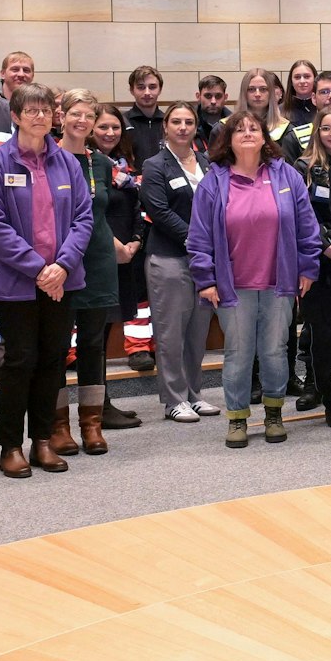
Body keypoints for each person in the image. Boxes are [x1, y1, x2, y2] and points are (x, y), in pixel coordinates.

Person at [0, 83, 93, 478]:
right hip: (16, 283)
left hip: (63, 280)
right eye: (31, 110)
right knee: (20, 361)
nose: (40, 117)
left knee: (52, 360)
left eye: (46, 110)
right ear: (16, 115)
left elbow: (82, 219)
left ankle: (42, 441)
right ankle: (10, 446)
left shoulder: (68, 163)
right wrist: (38, 269)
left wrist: (62, 266)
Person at [189, 110, 323, 447]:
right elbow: (199, 236)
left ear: (265, 138)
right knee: (238, 352)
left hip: (279, 281)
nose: (248, 133)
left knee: (276, 350)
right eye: (240, 129)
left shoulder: (286, 176)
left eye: (254, 129)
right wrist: (205, 279)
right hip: (232, 286)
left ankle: (275, 414)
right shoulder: (214, 181)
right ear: (229, 140)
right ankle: (236, 419)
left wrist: (308, 266)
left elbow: (307, 225)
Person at [53, 91, 132, 457]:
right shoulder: (47, 158)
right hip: (58, 262)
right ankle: (57, 426)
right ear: (62, 116)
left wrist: (119, 245)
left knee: (93, 344)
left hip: (98, 260)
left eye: (89, 115)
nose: (82, 121)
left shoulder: (101, 162)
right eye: (75, 114)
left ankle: (92, 423)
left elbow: (97, 213)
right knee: (55, 348)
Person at [139, 102, 218, 423]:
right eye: (176, 122)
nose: (183, 127)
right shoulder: (155, 165)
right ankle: (173, 398)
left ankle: (194, 394)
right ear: (166, 127)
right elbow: (159, 212)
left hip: (204, 261)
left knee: (198, 332)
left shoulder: (207, 162)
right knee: (171, 333)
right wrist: (198, 240)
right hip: (169, 258)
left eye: (188, 121)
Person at [293, 107, 331, 425]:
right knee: (322, 333)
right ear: (317, 132)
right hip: (317, 261)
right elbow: (302, 216)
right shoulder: (303, 167)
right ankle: (330, 400)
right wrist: (326, 246)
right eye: (326, 128)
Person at [91, 105, 153, 391]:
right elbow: (90, 212)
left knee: (106, 334)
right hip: (98, 256)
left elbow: (139, 207)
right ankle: (95, 409)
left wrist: (136, 242)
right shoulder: (87, 163)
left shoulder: (123, 166)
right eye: (103, 126)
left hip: (127, 255)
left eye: (115, 127)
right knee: (94, 338)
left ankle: (102, 405)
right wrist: (116, 246)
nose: (110, 132)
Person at [122, 65, 166, 168]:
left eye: (152, 87)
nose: (147, 92)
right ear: (132, 90)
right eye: (141, 87)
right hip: (132, 182)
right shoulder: (122, 122)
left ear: (160, 89)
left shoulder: (168, 122)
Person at [241, 67, 293, 143]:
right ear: (244, 93)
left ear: (271, 93)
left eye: (263, 89)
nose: (257, 94)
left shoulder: (287, 130)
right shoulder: (225, 127)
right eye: (251, 89)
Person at [194, 74, 231, 147]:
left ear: (225, 97)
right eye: (208, 96)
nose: (213, 101)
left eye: (218, 96)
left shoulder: (234, 123)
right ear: (198, 96)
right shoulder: (188, 122)